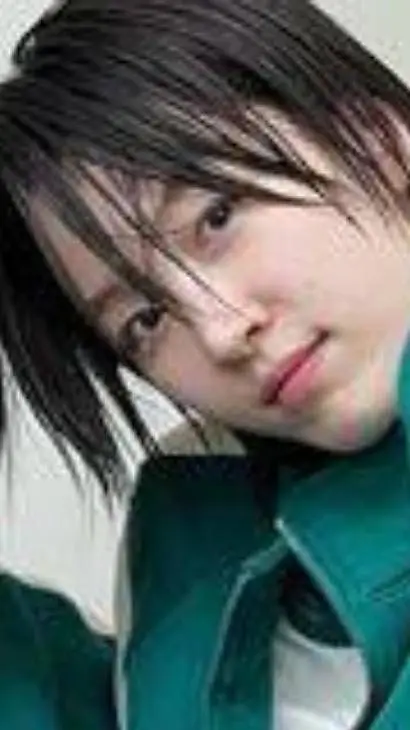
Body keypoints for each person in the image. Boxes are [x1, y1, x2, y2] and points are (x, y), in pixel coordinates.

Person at [1, 0, 410, 727]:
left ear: (383, 139)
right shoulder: (190, 528)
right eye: (145, 319)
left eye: (216, 217)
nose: (221, 333)